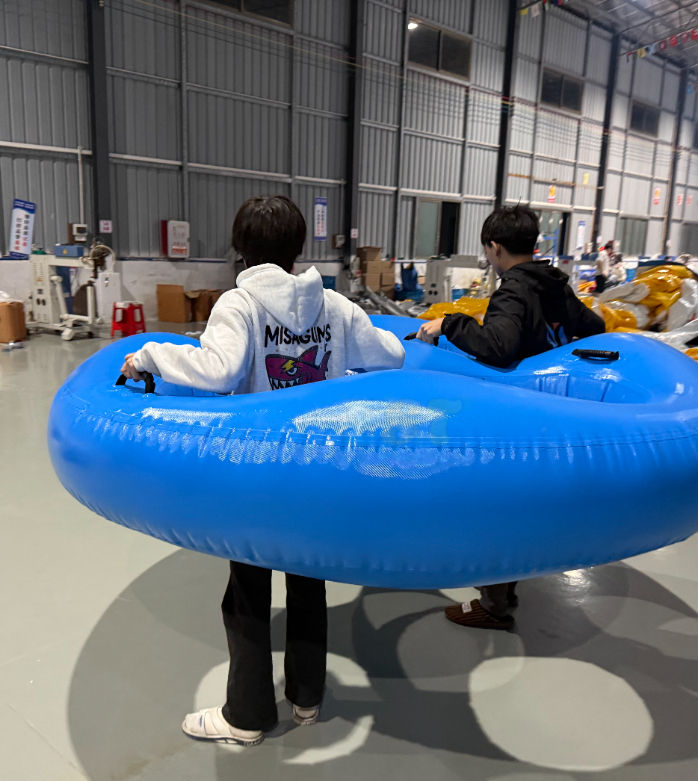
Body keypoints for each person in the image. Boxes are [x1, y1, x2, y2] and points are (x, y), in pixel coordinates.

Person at [120, 195, 405, 745]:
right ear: (299, 248)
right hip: (318, 472)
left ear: (241, 248)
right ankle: (307, 698)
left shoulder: (240, 304)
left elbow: (219, 370)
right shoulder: (335, 306)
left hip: (258, 478)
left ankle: (247, 716)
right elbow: (390, 355)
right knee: (308, 582)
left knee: (247, 591)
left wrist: (151, 354)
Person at [416, 205, 604, 631]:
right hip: (552, 413)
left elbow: (499, 346)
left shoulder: (514, 290)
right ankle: (506, 587)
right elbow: (594, 326)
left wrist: (451, 323)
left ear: (495, 247)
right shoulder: (554, 283)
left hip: (517, 417)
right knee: (522, 505)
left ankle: (495, 605)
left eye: (488, 251)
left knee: (494, 506)